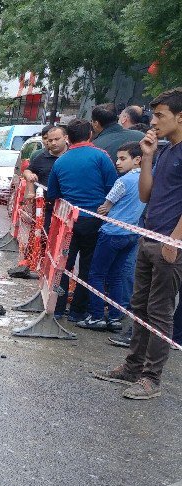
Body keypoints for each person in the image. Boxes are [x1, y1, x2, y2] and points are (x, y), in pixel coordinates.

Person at [93, 87, 182, 400]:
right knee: (139, 305)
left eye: (160, 115)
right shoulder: (166, 150)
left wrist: (175, 240)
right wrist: (146, 157)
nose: (153, 121)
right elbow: (146, 194)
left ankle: (151, 378)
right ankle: (132, 367)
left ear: (180, 117)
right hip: (149, 236)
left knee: (160, 312)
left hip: (169, 244)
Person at [47, 118, 118, 321]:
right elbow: (112, 188)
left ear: (68, 138)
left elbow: (53, 193)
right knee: (88, 267)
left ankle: (58, 308)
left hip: (68, 221)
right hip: (95, 219)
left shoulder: (61, 161)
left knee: (63, 264)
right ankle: (78, 312)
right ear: (90, 135)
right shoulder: (101, 157)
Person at [77, 142, 146, 331]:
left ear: (137, 159)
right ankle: (115, 317)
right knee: (117, 276)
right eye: (117, 158)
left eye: (123, 158)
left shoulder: (123, 181)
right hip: (132, 233)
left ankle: (96, 315)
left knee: (97, 274)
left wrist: (105, 207)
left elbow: (105, 207)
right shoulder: (146, 180)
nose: (117, 162)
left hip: (112, 233)